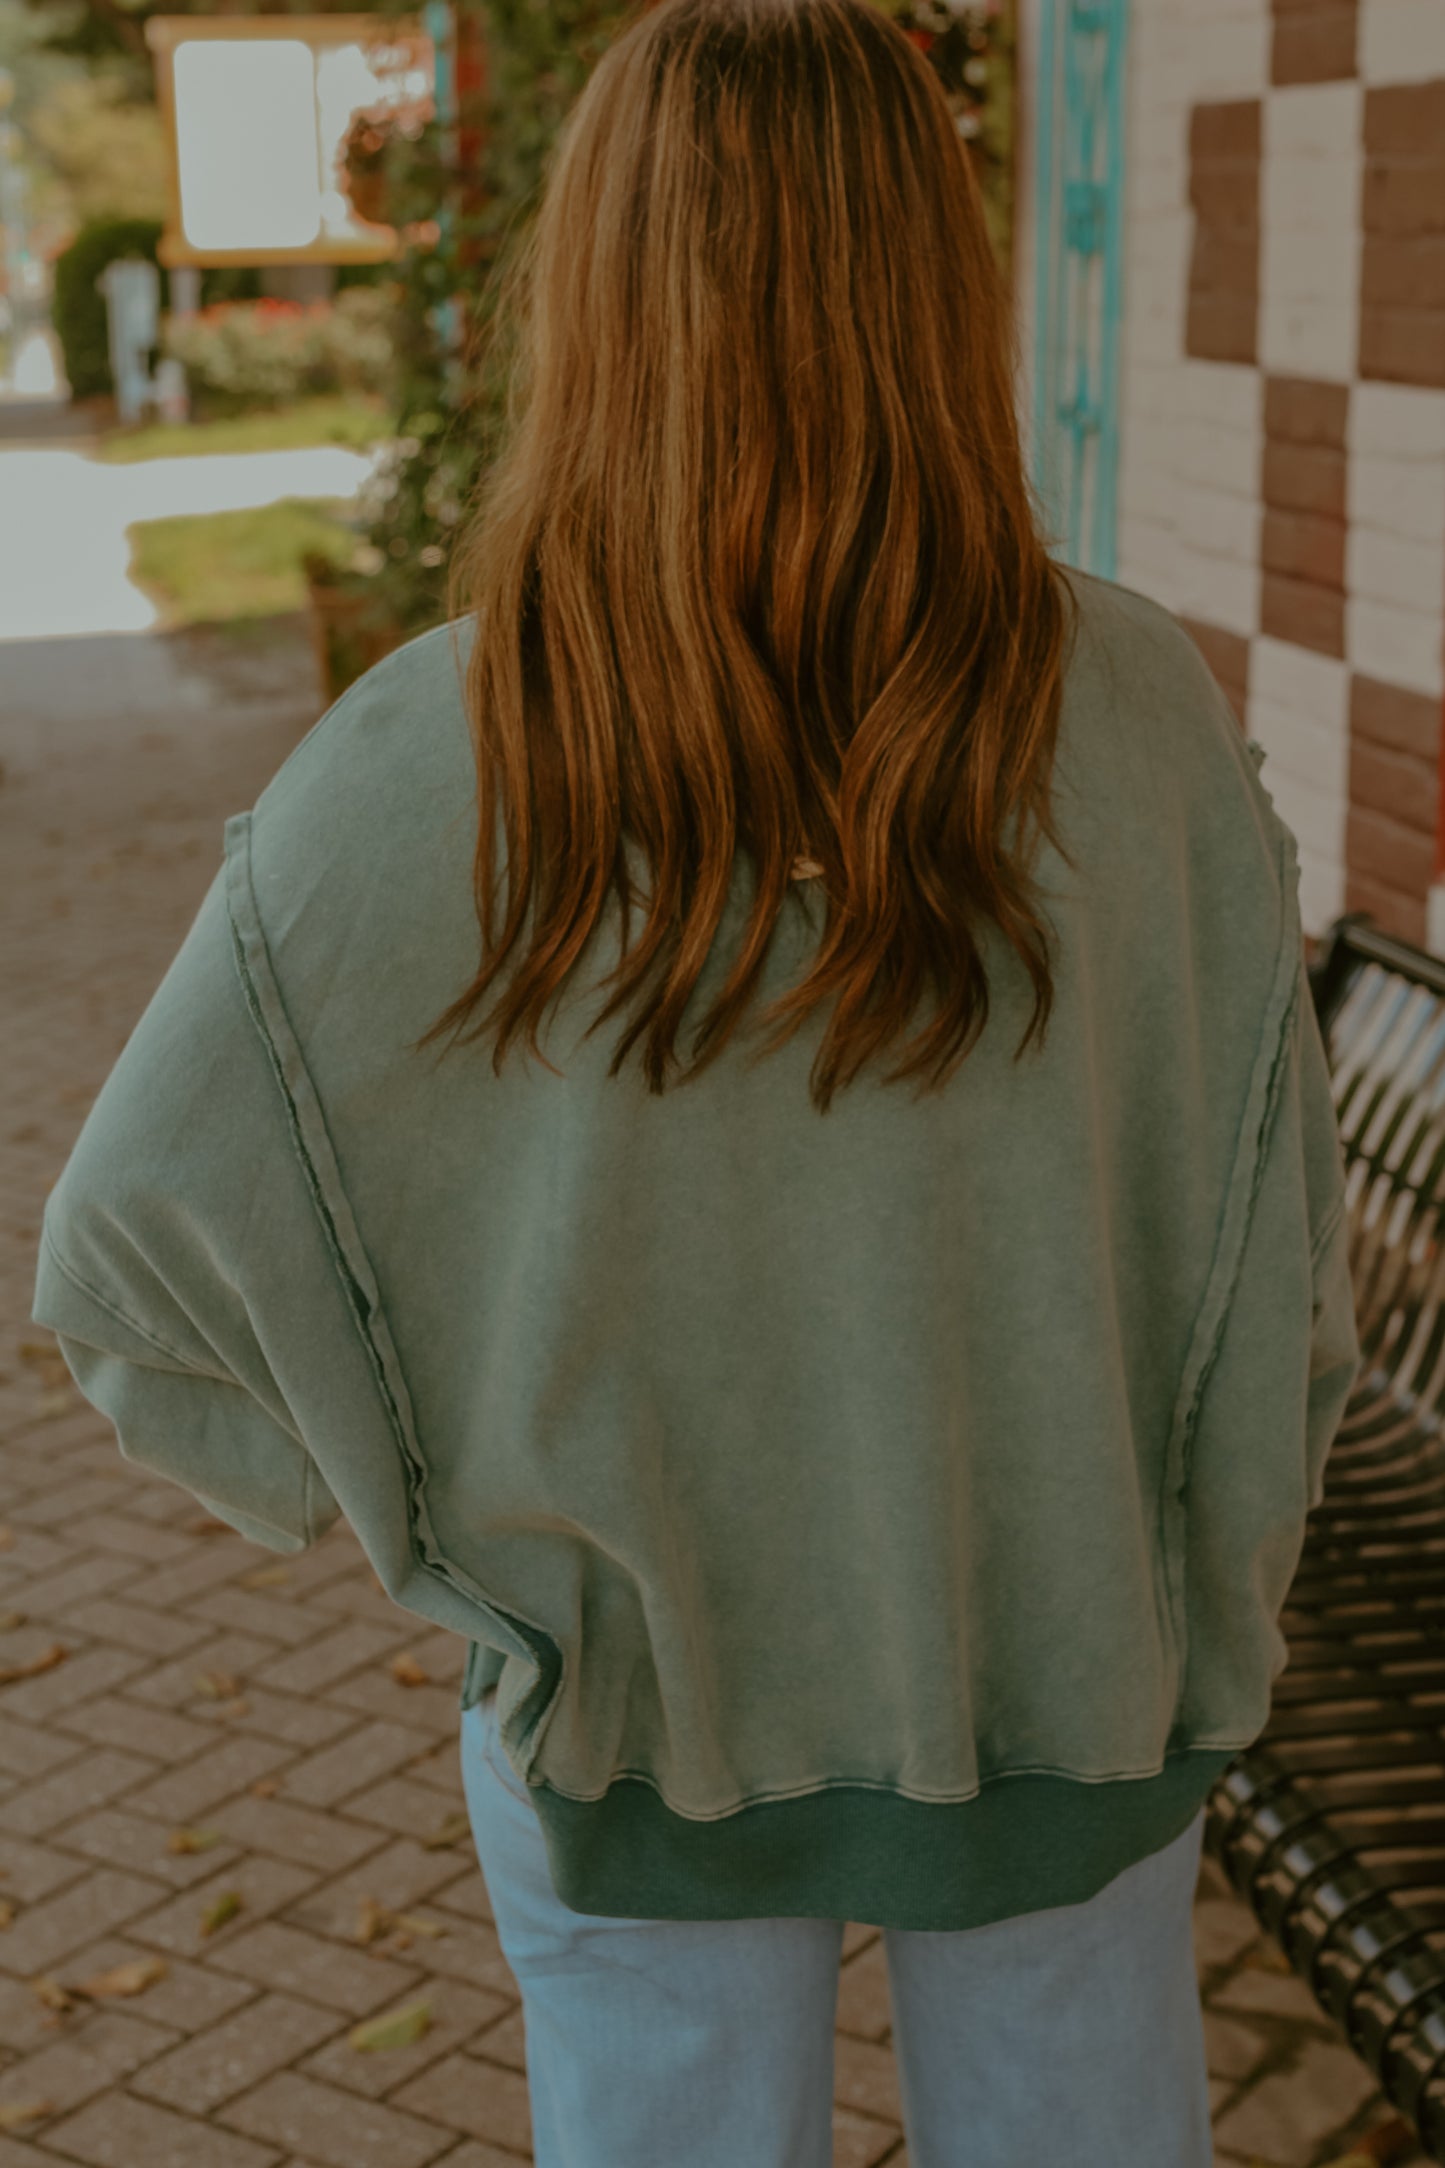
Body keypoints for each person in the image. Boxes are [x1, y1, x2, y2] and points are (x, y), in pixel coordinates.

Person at [31, 0, 1360, 2159]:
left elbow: (131, 1264)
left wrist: (443, 1528)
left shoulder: (433, 755)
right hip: (1067, 1672)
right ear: (940, 275)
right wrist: (1214, 1585)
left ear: (602, 282)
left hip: (631, 1705)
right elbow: (1268, 1267)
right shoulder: (1140, 721)